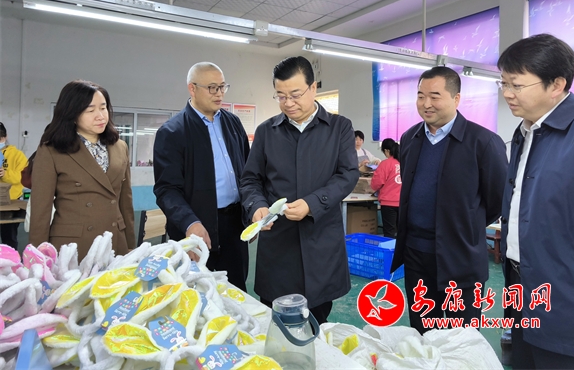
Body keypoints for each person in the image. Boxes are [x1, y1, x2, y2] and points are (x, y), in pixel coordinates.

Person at [497, 34, 574, 368]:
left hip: (573, 302)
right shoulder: (525, 131)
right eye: (503, 83)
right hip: (521, 290)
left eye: (516, 85)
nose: (507, 93)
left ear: (556, 84)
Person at [240, 56, 359, 324]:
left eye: (295, 95)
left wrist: (312, 203)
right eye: (281, 96)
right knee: (276, 323)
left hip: (321, 242)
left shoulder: (339, 128)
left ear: (313, 88)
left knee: (318, 322)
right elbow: (250, 180)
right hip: (279, 245)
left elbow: (347, 175)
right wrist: (257, 206)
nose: (288, 103)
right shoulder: (267, 132)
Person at [390, 66, 507, 334]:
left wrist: (464, 224)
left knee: (460, 338)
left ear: (456, 99)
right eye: (420, 96)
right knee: (423, 333)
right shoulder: (409, 138)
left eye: (435, 96)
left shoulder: (483, 142)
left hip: (460, 257)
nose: (426, 104)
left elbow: (497, 200)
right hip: (416, 257)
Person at [153, 62, 250, 291]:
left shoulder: (233, 123)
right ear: (192, 88)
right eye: (212, 88)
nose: (219, 94)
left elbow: (247, 173)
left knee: (236, 291)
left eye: (222, 87)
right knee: (197, 294)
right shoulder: (173, 132)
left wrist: (250, 213)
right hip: (195, 229)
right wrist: (190, 223)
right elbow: (167, 190)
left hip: (234, 226)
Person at [29, 80, 135, 259]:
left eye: (103, 108)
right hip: (73, 246)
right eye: (90, 110)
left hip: (116, 241)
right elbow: (41, 210)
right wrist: (38, 256)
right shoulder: (52, 150)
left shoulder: (120, 146)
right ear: (72, 114)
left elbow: (125, 201)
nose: (100, 116)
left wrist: (131, 245)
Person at [0, 122, 28, 249]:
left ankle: (11, 259)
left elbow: (22, 177)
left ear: (5, 137)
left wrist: (5, 173)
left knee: (9, 237)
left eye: (0, 138)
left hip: (11, 202)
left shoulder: (17, 155)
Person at [370, 138, 401, 238]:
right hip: (403, 203)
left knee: (389, 233)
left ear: (387, 151)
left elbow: (376, 183)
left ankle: (390, 249)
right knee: (402, 233)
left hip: (389, 203)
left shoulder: (386, 164)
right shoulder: (405, 162)